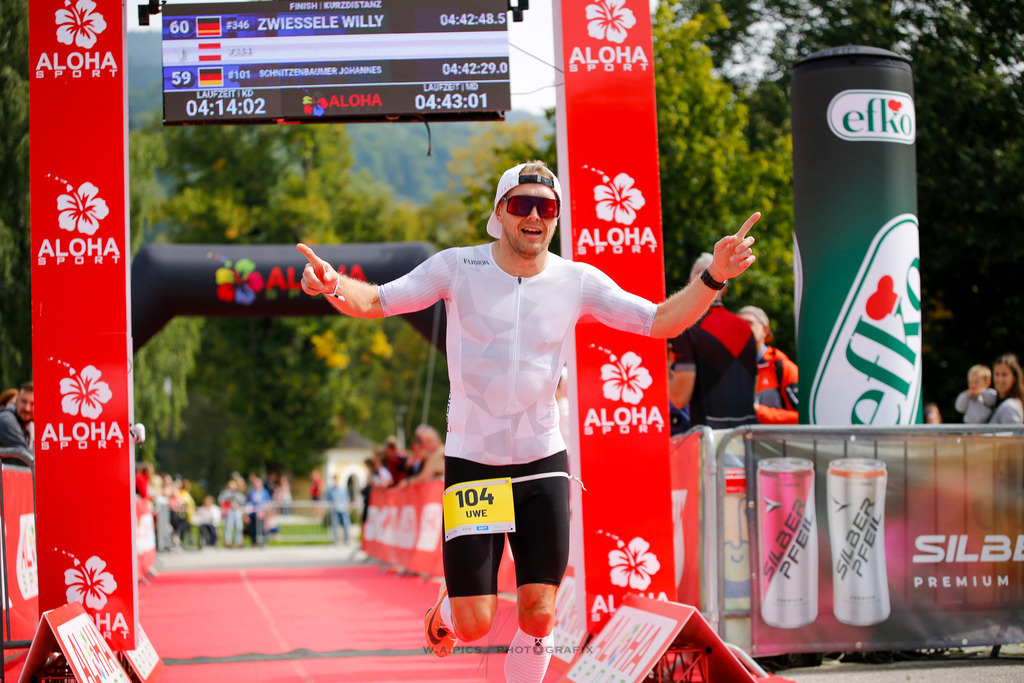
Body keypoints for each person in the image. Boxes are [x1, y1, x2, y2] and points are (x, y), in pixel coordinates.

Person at [298, 160, 757, 682]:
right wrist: (334, 284)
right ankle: (445, 613)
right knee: (475, 624)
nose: (535, 216)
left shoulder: (575, 279)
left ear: (556, 218)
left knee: (539, 612)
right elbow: (377, 301)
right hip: (475, 462)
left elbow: (658, 321)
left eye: (547, 207)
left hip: (541, 460)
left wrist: (714, 276)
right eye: (523, 205)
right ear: (500, 214)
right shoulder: (456, 267)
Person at [669, 256, 759, 430]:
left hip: (710, 439)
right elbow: (751, 390)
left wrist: (663, 367)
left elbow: (679, 399)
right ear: (725, 289)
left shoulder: (686, 327)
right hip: (747, 435)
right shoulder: (746, 328)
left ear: (690, 284)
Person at [737, 305, 799, 425]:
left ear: (765, 330)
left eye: (749, 323)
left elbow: (801, 417)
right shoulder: (729, 368)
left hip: (778, 443)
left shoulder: (782, 367)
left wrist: (758, 412)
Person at [988, 354, 1024, 424]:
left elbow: (1012, 434)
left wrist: (980, 435)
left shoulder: (1009, 407)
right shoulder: (992, 401)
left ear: (1014, 378)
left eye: (1004, 375)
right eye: (997, 374)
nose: (1000, 379)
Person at [0, 382, 33, 451]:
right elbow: (25, 458)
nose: (27, 408)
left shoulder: (28, 425)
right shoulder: (7, 421)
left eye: (32, 404)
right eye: (23, 401)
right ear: (16, 401)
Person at [218, 477, 246, 548]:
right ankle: (227, 541)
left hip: (237, 511)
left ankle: (238, 541)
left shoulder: (240, 494)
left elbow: (242, 502)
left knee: (238, 527)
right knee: (228, 526)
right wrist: (229, 503)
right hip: (229, 511)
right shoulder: (227, 492)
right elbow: (222, 499)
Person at [325, 473, 352, 544]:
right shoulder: (330, 490)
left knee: (346, 525)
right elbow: (327, 499)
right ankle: (336, 540)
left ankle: (347, 539)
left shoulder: (343, 489)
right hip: (335, 510)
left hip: (343, 510)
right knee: (335, 525)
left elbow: (347, 498)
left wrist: (347, 506)